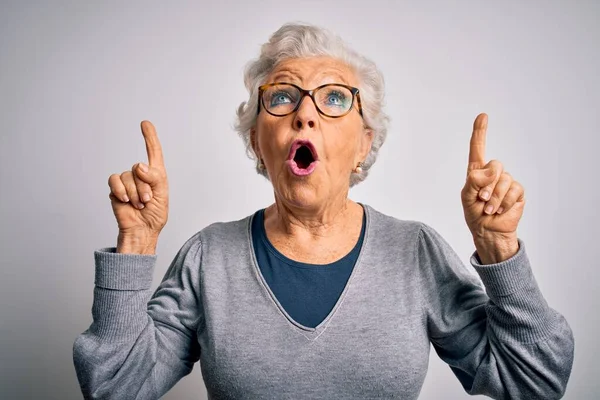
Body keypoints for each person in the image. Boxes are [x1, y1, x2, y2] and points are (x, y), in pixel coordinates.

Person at [73, 23, 574, 399]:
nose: (305, 113)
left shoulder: (415, 253)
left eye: (335, 98)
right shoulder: (209, 256)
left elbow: (535, 380)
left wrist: (499, 248)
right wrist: (136, 243)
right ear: (257, 142)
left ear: (364, 143)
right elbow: (116, 386)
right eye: (283, 97)